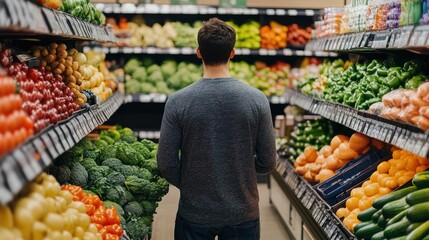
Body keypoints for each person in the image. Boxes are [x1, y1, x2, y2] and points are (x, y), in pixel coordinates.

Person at [156, 18, 276, 240]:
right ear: (232, 53)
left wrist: (190, 183)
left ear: (198, 52)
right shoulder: (257, 100)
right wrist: (241, 174)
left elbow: (166, 162)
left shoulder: (178, 101)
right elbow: (268, 161)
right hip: (243, 212)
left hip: (194, 212)